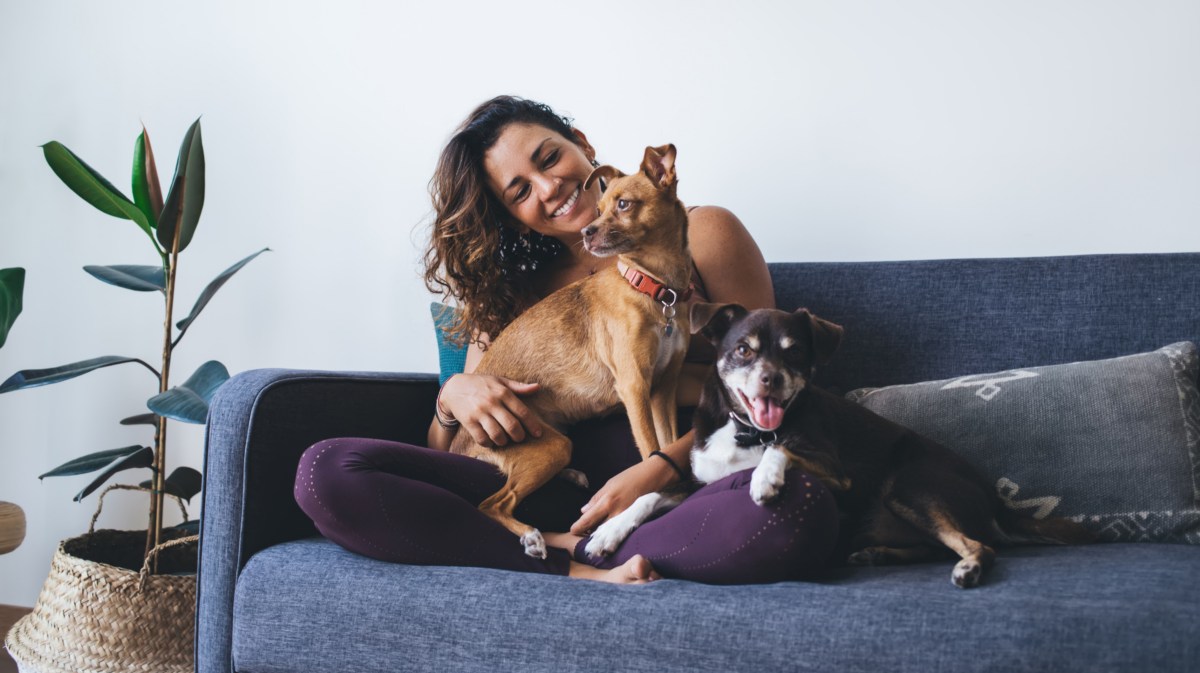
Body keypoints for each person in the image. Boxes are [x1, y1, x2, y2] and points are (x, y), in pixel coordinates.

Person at [295, 95, 838, 584]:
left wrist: (657, 471)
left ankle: (558, 550)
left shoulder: (704, 233)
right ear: (516, 221)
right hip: (535, 486)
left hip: (663, 498)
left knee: (796, 507)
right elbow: (449, 457)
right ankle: (570, 560)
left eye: (549, 158)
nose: (549, 187)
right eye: (520, 191)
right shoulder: (510, 299)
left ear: (583, 147)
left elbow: (771, 390)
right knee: (325, 473)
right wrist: (451, 397)